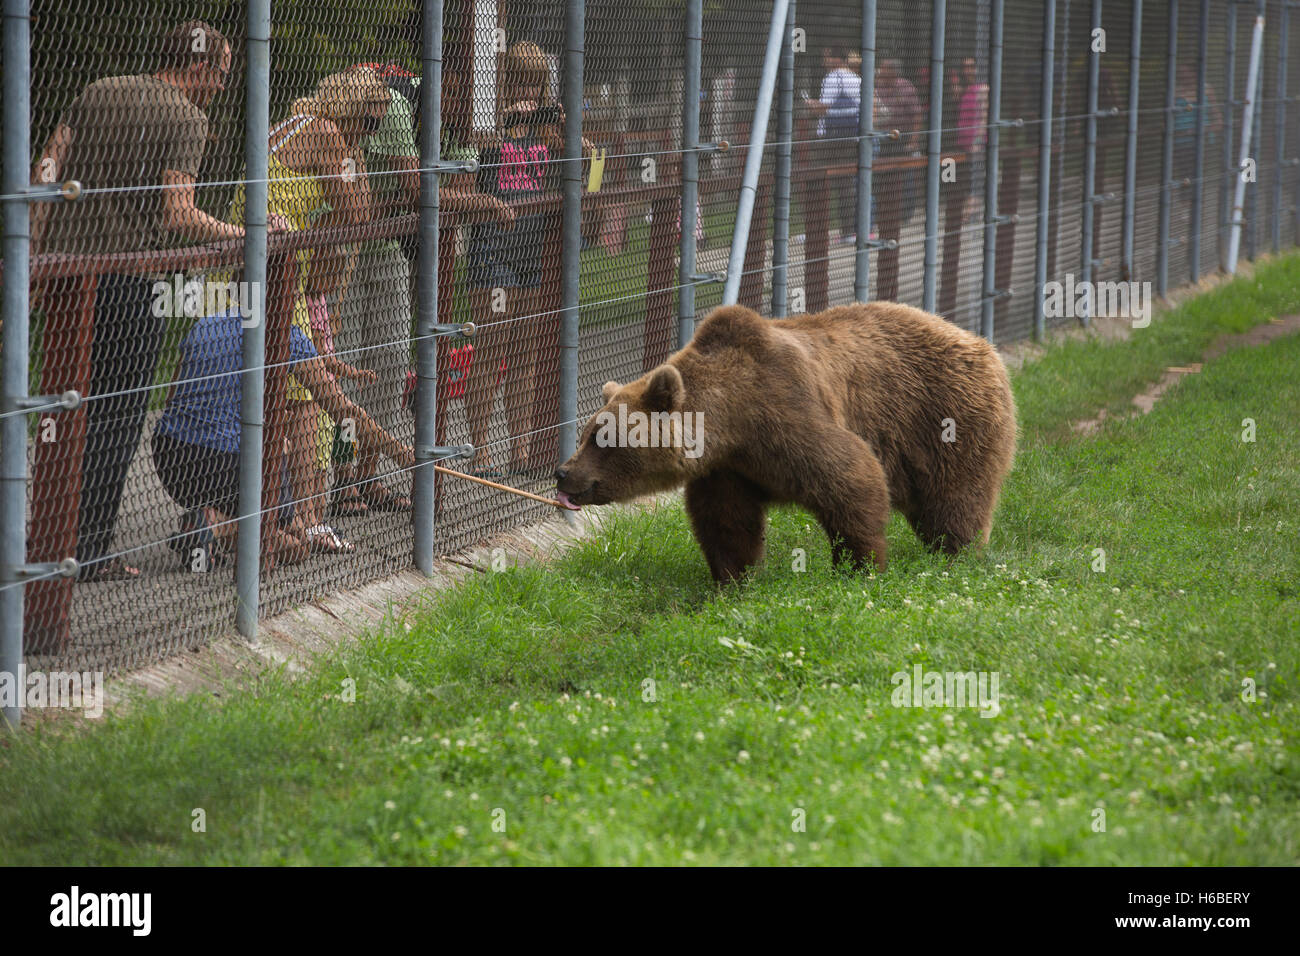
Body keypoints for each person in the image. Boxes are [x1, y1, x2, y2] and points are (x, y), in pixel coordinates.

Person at [30, 20, 243, 581]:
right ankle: (91, 548)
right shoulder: (187, 117)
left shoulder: (99, 90)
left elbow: (48, 169)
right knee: (117, 412)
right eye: (220, 74)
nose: (221, 87)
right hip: (130, 280)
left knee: (64, 402)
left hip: (65, 273)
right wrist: (243, 234)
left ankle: (47, 533)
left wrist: (32, 247)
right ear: (197, 67)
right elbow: (177, 212)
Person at [228, 68, 391, 552]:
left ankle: (275, 514)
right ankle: (306, 516)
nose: (371, 133)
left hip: (267, 267)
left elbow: (347, 219)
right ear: (347, 110)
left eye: (380, 123)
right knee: (303, 396)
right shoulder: (326, 134)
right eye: (369, 121)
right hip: (271, 271)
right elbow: (358, 215)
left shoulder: (297, 125)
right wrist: (355, 161)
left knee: (281, 390)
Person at [153, 309, 414, 570]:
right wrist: (400, 453)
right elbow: (342, 411)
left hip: (171, 456)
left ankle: (210, 530)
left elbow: (171, 399)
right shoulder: (286, 335)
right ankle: (214, 524)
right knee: (297, 546)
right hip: (227, 463)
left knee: (262, 479)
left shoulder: (206, 323)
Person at [463, 41, 572, 477]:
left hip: (531, 245)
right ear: (504, 83)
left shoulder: (546, 129)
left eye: (534, 81)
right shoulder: (490, 124)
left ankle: (521, 449)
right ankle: (480, 448)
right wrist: (507, 122)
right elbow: (472, 170)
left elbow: (578, 168)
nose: (527, 89)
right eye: (519, 80)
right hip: (493, 246)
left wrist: (566, 132)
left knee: (525, 353)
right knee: (491, 349)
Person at [806, 46, 862, 241]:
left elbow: (823, 109)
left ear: (836, 58)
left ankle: (815, 231)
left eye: (827, 57)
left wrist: (811, 105)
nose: (824, 61)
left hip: (830, 137)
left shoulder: (832, 78)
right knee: (846, 182)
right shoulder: (856, 79)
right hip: (851, 136)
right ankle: (848, 231)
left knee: (816, 178)